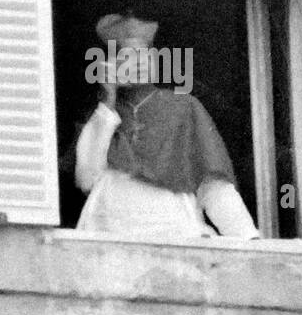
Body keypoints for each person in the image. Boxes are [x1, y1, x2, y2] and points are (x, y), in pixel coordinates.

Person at [73, 13, 260, 239]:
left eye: (144, 54)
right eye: (127, 56)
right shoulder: (103, 116)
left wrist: (247, 236)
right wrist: (108, 101)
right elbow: (86, 179)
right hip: (109, 235)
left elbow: (212, 185)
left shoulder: (183, 107)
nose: (139, 62)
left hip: (173, 235)